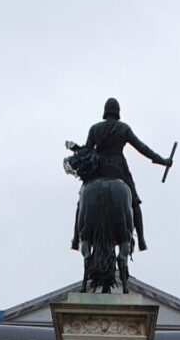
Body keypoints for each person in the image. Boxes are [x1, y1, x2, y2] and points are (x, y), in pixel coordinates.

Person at [70, 98, 173, 252]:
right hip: (118, 169)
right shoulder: (124, 128)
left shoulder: (94, 129)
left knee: (81, 201)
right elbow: (142, 148)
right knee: (135, 202)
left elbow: (88, 151)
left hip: (98, 169)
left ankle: (76, 239)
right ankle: (141, 240)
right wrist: (162, 161)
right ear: (118, 112)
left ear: (105, 112)